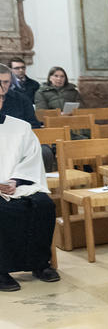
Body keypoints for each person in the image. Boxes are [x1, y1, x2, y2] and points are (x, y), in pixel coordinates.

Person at [0, 111, 60, 292]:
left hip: (18, 183)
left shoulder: (21, 127)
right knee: (4, 210)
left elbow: (32, 158)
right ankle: (1, 270)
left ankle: (39, 264)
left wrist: (15, 180)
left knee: (43, 205)